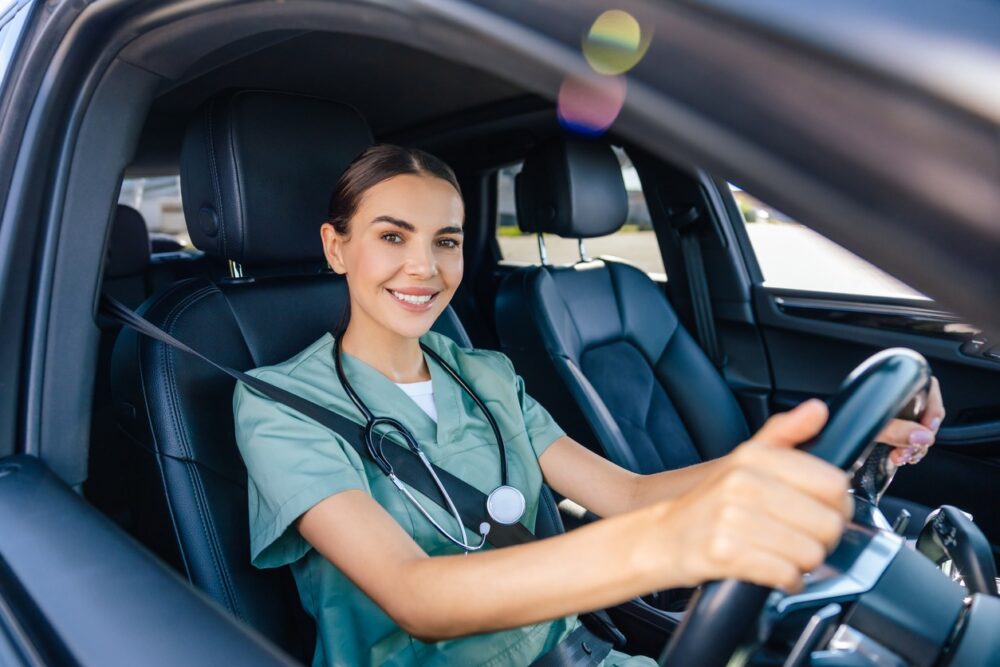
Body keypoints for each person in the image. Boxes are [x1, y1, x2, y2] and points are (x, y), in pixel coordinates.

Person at [233, 144, 945, 667]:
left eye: (445, 241)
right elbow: (418, 596)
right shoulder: (278, 405)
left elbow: (627, 492)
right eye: (393, 237)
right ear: (336, 246)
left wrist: (818, 448)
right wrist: (676, 540)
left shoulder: (484, 372)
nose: (425, 268)